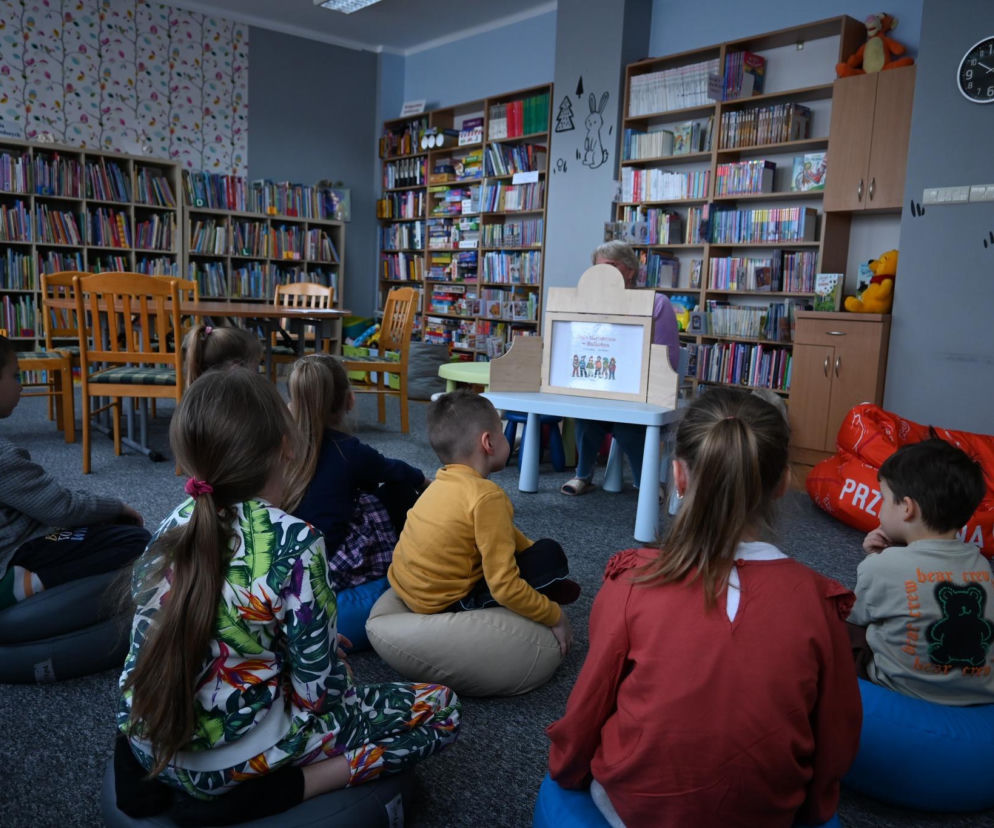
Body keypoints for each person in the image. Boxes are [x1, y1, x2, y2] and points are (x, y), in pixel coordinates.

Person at [116, 368, 460, 823]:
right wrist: (332, 663)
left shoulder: (171, 523)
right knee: (442, 709)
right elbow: (316, 694)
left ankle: (155, 774)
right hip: (240, 761)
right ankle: (290, 787)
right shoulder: (296, 542)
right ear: (286, 446)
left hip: (148, 740)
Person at [547, 388, 861, 828]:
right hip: (769, 812)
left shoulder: (633, 583)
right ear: (782, 484)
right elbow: (838, 731)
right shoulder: (818, 601)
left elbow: (588, 707)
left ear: (678, 477)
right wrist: (814, 808)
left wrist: (567, 769)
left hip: (638, 809)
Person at [388, 390, 578, 656]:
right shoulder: (488, 497)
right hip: (446, 602)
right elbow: (504, 587)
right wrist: (554, 616)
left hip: (407, 587)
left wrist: (528, 549)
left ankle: (546, 581)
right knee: (551, 555)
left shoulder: (441, 482)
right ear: (488, 442)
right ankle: (544, 587)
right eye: (501, 432)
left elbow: (504, 533)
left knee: (535, 550)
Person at [0, 335, 149, 611]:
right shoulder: (2, 455)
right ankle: (22, 583)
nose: (21, 385)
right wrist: (117, 507)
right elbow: (60, 508)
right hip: (13, 553)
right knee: (136, 539)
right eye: (15, 375)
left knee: (103, 527)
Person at [847, 437, 993, 705]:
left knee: (837, 622)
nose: (880, 508)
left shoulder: (880, 567)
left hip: (901, 691)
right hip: (978, 696)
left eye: (884, 499)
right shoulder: (981, 564)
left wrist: (878, 561)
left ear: (907, 507)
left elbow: (856, 617)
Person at [284, 353, 427, 591]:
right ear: (349, 400)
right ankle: (419, 562)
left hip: (285, 561)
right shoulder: (349, 451)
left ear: (292, 403)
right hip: (331, 569)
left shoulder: (279, 446)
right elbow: (395, 470)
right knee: (398, 491)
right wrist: (425, 481)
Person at [561, 240, 681, 496]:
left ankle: (646, 482)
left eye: (613, 266)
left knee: (629, 424)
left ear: (630, 271)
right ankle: (583, 474)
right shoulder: (586, 303)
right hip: (601, 387)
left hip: (642, 391)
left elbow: (667, 357)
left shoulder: (657, 303)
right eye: (599, 268)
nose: (605, 273)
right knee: (585, 416)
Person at [182, 322, 262, 386]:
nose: (257, 375)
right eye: (255, 368)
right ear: (236, 368)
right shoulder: (242, 402)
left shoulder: (195, 400)